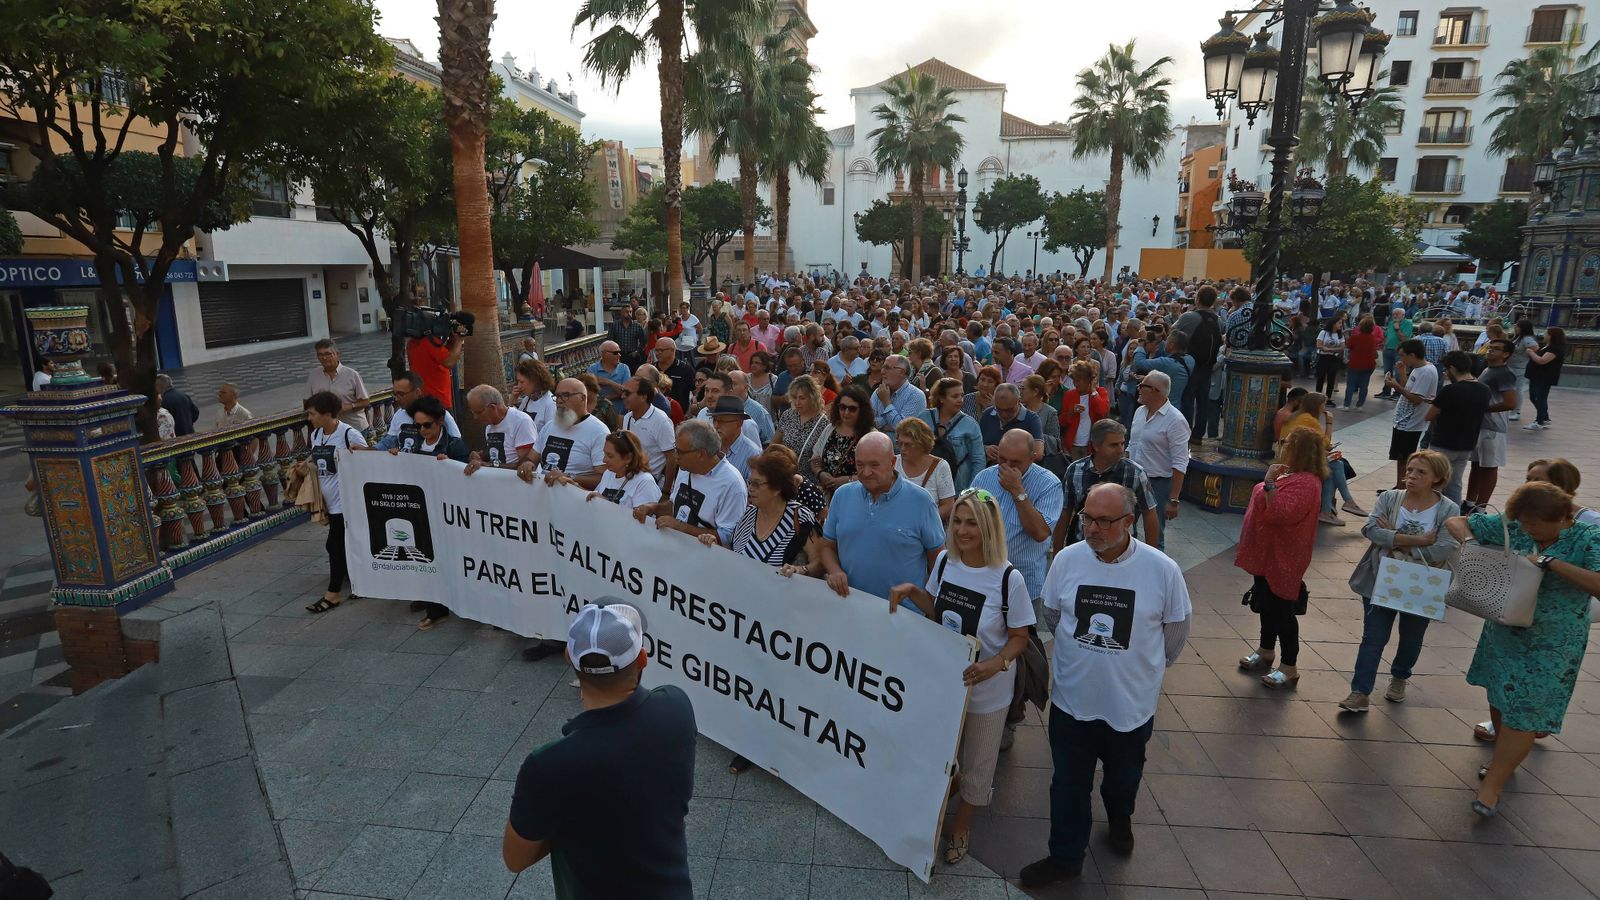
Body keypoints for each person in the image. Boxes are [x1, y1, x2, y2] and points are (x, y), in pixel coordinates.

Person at [1021, 483, 1191, 889]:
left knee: (1122, 775)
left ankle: (1120, 816)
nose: (1092, 528)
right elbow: (1053, 613)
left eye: (1103, 521)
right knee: (1067, 783)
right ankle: (1065, 856)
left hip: (1129, 705)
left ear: (1129, 522)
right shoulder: (1067, 560)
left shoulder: (1160, 570)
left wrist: (1138, 667)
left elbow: (1175, 633)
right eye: (1087, 518)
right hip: (1072, 700)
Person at [503, 602, 697, 899]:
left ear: (569, 657)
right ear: (643, 658)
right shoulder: (677, 706)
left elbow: (515, 859)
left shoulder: (549, 765)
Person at [886, 490, 1034, 865]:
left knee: (978, 763)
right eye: (957, 522)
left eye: (972, 523)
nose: (963, 530)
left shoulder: (1007, 579)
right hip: (946, 684)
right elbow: (936, 608)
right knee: (939, 753)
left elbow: (1020, 637)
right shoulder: (946, 564)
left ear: (989, 529)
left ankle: (961, 826)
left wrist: (995, 663)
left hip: (989, 690)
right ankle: (933, 806)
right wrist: (913, 591)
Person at [1442, 482, 1600, 817]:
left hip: (1555, 642)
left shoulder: (1588, 537)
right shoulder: (1516, 524)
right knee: (1501, 696)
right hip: (1506, 628)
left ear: (1561, 516)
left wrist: (1550, 562)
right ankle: (1503, 760)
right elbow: (1457, 522)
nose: (1526, 530)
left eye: (1534, 525)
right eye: (1523, 523)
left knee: (1527, 710)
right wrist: (1471, 542)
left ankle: (1492, 787)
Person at [1339, 450, 1460, 713]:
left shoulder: (1448, 508)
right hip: (1379, 577)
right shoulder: (1390, 498)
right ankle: (1359, 692)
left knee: (1411, 638)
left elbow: (1446, 546)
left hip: (1422, 583)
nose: (1412, 476)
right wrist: (1418, 540)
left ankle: (1400, 675)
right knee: (1373, 637)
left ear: (1437, 478)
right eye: (1409, 470)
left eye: (1421, 472)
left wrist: (1395, 540)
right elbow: (1371, 530)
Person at [1234, 427, 1323, 688]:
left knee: (1282, 608)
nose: (1282, 444)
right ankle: (1265, 650)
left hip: (1284, 554)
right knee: (1265, 601)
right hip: (1266, 551)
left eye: (1287, 442)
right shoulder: (1291, 474)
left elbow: (1283, 513)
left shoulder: (1307, 482)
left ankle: (1289, 665)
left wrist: (1270, 483)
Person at [818, 433, 946, 600]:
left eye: (874, 465)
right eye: (860, 465)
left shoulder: (921, 501)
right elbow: (827, 546)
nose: (866, 472)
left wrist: (927, 602)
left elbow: (938, 558)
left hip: (902, 615)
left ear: (893, 462)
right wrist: (834, 570)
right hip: (849, 605)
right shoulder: (842, 496)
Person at [392, 395, 472, 631]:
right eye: (418, 426)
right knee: (427, 559)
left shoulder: (454, 445)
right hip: (421, 510)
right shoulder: (414, 444)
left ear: (440, 422)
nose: (423, 430)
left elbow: (468, 477)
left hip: (447, 512)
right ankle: (435, 608)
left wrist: (450, 466)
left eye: (427, 425)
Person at [633, 419, 748, 547]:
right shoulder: (686, 468)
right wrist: (653, 507)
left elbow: (727, 537)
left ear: (701, 454)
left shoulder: (732, 484)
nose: (675, 456)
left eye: (680, 452)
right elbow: (675, 506)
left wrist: (681, 528)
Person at [302, 390, 368, 614]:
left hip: (346, 503)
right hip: (328, 502)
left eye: (312, 414)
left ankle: (333, 593)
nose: (309, 419)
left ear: (327, 413)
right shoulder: (317, 436)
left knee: (334, 545)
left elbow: (367, 461)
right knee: (345, 544)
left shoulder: (349, 434)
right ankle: (359, 580)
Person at [1056, 419, 1160, 549]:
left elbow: (1150, 513)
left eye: (1122, 444)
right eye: (1113, 445)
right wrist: (1058, 552)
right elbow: (1064, 513)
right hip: (1083, 547)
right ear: (1096, 446)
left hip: (1121, 551)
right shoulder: (1075, 470)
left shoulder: (1136, 473)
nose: (1120, 450)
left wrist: (1151, 554)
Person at [1127, 370, 1189, 550]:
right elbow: (1132, 444)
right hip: (1133, 479)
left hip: (1158, 484)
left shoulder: (1175, 420)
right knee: (1124, 525)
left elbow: (1180, 461)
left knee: (1154, 533)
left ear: (1154, 390)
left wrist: (1174, 499)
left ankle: (1154, 572)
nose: (1138, 389)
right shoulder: (1140, 411)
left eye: (1142, 385)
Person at [1425, 351, 1490, 504]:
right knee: (1455, 484)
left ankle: (1429, 515)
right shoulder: (1484, 389)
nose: (1446, 373)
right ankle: (1453, 515)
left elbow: (1429, 416)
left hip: (1443, 444)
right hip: (1466, 445)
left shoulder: (1450, 390)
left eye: (1446, 369)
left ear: (1453, 368)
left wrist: (1439, 403)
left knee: (1433, 483)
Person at [523, 378, 609, 489]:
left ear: (582, 398)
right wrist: (527, 464)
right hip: (545, 497)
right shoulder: (550, 426)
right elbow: (531, 458)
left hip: (575, 501)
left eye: (565, 395)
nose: (559, 400)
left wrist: (568, 477)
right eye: (557, 396)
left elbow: (604, 477)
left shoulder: (599, 431)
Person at [1466, 339, 1519, 509]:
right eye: (1490, 348)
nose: (1491, 351)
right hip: (1479, 425)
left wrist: (1483, 408)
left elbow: (1511, 403)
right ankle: (1469, 502)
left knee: (1489, 467)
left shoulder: (1505, 373)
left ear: (1506, 354)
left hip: (1493, 427)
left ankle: (1481, 507)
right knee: (1475, 465)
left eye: (1496, 349)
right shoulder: (1487, 369)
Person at [1383, 339, 1437, 489]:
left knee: (1405, 457)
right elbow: (1411, 388)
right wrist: (1401, 374)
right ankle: (1400, 484)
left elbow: (1416, 399)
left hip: (1411, 422)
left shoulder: (1426, 371)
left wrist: (1395, 386)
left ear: (1412, 355)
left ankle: (1404, 486)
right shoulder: (1417, 368)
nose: (1401, 359)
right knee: (1400, 456)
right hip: (1404, 420)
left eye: (1403, 355)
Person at [919, 378, 984, 493]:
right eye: (955, 396)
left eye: (962, 395)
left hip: (957, 488)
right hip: (925, 485)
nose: (960, 400)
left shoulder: (970, 424)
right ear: (941, 398)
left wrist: (971, 491)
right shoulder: (924, 418)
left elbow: (978, 460)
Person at [812, 384, 876, 496]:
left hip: (857, 495)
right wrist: (821, 474)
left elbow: (875, 471)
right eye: (842, 407)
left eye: (852, 409)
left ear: (862, 410)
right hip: (828, 496)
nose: (846, 413)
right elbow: (814, 460)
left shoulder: (872, 436)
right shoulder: (830, 429)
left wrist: (847, 480)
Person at [462, 384, 539, 473]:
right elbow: (499, 454)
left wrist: (490, 465)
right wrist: (480, 456)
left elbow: (526, 465)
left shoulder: (521, 422)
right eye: (473, 413)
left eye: (478, 412)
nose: (475, 417)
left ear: (493, 408)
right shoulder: (489, 426)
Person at [377, 371, 462, 451]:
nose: (396, 398)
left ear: (417, 392)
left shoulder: (440, 414)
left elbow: (457, 445)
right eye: (395, 394)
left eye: (401, 394)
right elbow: (388, 442)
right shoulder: (399, 415)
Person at [581, 430, 662, 511]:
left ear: (628, 458)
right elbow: (595, 497)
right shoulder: (608, 473)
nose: (604, 460)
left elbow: (640, 521)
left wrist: (605, 503)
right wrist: (574, 485)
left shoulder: (645, 482)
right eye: (604, 454)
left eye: (610, 456)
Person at [406, 310, 470, 408]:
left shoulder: (412, 343)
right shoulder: (430, 342)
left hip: (423, 399)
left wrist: (452, 340)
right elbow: (449, 362)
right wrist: (460, 340)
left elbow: (442, 355)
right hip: (437, 401)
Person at [895, 417, 956, 519]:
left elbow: (948, 506)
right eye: (899, 443)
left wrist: (925, 521)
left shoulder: (940, 466)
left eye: (908, 445)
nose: (902, 449)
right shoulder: (893, 463)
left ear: (922, 444)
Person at [622, 376, 677, 485]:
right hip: (630, 480)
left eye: (627, 393)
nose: (622, 396)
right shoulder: (627, 417)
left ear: (643, 397)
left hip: (651, 483)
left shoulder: (661, 420)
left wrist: (666, 493)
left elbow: (672, 458)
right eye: (623, 392)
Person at [306, 338, 371, 430]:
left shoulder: (352, 375)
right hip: (327, 429)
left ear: (337, 354)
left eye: (328, 354)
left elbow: (365, 401)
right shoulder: (314, 376)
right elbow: (307, 401)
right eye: (320, 355)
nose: (324, 358)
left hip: (354, 427)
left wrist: (348, 407)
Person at [978, 383, 1043, 463]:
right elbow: (975, 445)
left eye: (1009, 410)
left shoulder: (1031, 419)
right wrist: (985, 449)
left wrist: (1006, 456)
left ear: (1019, 401)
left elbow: (1038, 453)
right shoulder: (988, 414)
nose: (1004, 415)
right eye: (999, 410)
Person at [1059, 360, 1110, 461]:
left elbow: (1102, 412)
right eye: (1074, 380)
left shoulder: (1101, 393)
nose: (1075, 383)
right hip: (1073, 446)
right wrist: (1072, 412)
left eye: (1078, 380)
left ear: (1088, 380)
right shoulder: (1069, 394)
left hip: (1092, 446)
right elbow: (1061, 421)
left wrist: (1094, 392)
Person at [869, 355, 925, 445]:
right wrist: (888, 424)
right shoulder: (878, 391)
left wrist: (886, 403)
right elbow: (868, 421)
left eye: (887, 368)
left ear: (901, 372)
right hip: (875, 448)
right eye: (883, 367)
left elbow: (903, 430)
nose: (882, 371)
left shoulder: (916, 395)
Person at [1522, 325, 1565, 430]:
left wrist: (1531, 352)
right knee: (1534, 397)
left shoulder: (1555, 348)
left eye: (1546, 334)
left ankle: (1539, 421)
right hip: (1537, 376)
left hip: (1544, 378)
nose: (1544, 335)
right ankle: (1544, 418)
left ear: (1552, 336)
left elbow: (1542, 361)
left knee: (1540, 398)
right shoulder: (1547, 346)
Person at [709, 396, 762, 479]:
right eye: (714, 420)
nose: (716, 425)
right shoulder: (708, 446)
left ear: (739, 423)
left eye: (721, 421)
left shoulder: (753, 454)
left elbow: (753, 489)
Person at [1375, 306, 1414, 400]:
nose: (1395, 316)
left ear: (1403, 315)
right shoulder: (1391, 323)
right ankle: (1386, 391)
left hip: (1399, 352)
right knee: (1387, 372)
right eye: (1393, 314)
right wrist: (1384, 344)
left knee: (1398, 373)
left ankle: (1398, 393)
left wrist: (1397, 329)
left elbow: (1405, 339)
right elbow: (1388, 335)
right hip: (1388, 350)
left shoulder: (1408, 323)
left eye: (1397, 314)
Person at [1342, 314, 1380, 409]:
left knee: (1350, 384)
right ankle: (1360, 405)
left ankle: (1346, 405)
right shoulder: (1372, 338)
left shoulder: (1355, 337)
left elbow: (1348, 346)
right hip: (1369, 364)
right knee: (1364, 385)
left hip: (1355, 363)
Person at [512, 357, 558, 434]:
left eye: (522, 382)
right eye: (518, 382)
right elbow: (514, 424)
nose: (518, 386)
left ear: (535, 381)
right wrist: (512, 402)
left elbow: (551, 433)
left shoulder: (550, 403)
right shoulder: (527, 400)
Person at [588, 341, 632, 417]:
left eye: (619, 352)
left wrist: (608, 382)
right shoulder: (592, 369)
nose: (619, 355)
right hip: (599, 414)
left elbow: (626, 393)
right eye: (615, 353)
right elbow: (591, 394)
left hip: (620, 413)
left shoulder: (624, 368)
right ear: (603, 354)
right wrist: (618, 392)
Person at [1506, 318, 1537, 421]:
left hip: (1520, 368)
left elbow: (1535, 349)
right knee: (1513, 389)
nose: (1515, 328)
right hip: (1513, 367)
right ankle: (1512, 409)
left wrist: (1529, 355)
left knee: (1518, 390)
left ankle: (1517, 411)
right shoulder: (1519, 337)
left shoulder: (1527, 339)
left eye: (1518, 326)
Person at [1314, 315, 1346, 401]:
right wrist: (1327, 349)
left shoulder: (1340, 335)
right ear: (1333, 323)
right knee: (1321, 377)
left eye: (1341, 323)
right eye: (1339, 323)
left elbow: (1342, 347)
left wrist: (1329, 349)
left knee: (1331, 378)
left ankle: (1328, 398)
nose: (1341, 325)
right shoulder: (1323, 333)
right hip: (1323, 357)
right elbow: (1319, 345)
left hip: (1334, 358)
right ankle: (1318, 396)